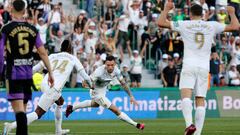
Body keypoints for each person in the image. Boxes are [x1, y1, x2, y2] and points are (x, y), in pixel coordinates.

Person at [158, 2, 239, 135]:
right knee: (200, 99)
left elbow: (161, 22)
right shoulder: (211, 25)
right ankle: (198, 133)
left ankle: (189, 124)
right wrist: (231, 13)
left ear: (190, 14)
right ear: (203, 14)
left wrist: (166, 8)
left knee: (185, 95)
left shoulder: (185, 24)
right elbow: (235, 26)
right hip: (203, 66)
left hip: (189, 64)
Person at [3, 40, 93, 135]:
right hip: (53, 87)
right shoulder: (73, 58)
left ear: (61, 48)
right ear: (70, 49)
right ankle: (11, 126)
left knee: (60, 101)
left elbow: (36, 68)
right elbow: (85, 76)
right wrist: (92, 86)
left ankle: (58, 131)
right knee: (38, 113)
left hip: (45, 83)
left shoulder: (52, 56)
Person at [0, 1, 54, 135]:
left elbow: (0, 53)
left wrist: (0, 71)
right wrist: (51, 72)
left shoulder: (6, 29)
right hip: (27, 75)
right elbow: (42, 52)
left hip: (13, 74)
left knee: (19, 113)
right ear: (25, 11)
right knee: (22, 111)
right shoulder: (33, 29)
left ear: (11, 9)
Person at [65, 55, 145, 130]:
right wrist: (86, 84)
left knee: (95, 104)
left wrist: (131, 96)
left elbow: (123, 83)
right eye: (108, 65)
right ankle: (136, 125)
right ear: (105, 64)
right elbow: (88, 81)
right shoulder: (99, 71)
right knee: (116, 110)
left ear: (115, 64)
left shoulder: (116, 70)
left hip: (103, 89)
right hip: (96, 91)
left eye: (112, 65)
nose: (110, 67)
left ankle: (72, 108)